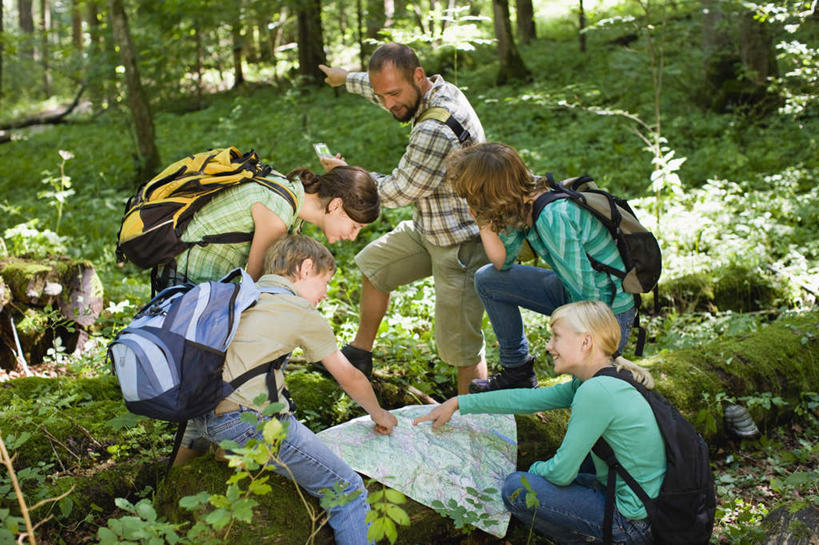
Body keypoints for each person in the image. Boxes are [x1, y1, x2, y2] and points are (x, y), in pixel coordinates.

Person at [182, 235, 398, 545]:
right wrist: (379, 413)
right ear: (307, 268)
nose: (324, 294)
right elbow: (349, 376)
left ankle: (229, 451)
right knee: (347, 489)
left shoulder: (241, 294)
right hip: (251, 424)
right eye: (325, 282)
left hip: (204, 418)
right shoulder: (299, 311)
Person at [413, 300, 661, 545]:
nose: (548, 346)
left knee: (516, 488)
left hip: (629, 523)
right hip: (638, 504)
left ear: (585, 342)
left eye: (556, 337)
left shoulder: (596, 392)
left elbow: (561, 473)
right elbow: (529, 399)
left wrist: (532, 472)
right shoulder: (602, 379)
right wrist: (459, 403)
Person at [317, 43, 489, 393]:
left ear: (419, 76)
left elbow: (396, 192)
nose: (389, 103)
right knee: (374, 266)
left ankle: (478, 419)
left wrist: (350, 173)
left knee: (460, 346)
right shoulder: (431, 87)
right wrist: (343, 78)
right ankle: (360, 355)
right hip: (431, 226)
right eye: (382, 96)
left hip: (460, 242)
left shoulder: (433, 128)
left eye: (394, 94)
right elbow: (381, 84)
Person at [445, 142, 638, 393]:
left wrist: (578, 343)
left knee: (583, 393)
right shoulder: (522, 202)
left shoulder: (551, 216)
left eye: (472, 197)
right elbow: (502, 262)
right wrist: (483, 222)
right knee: (487, 279)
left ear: (488, 193)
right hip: (574, 294)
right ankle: (517, 371)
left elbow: (589, 292)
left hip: (607, 313)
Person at [156, 164, 380, 291]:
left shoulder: (290, 195)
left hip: (195, 281)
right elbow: (253, 289)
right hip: (185, 287)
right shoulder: (278, 214)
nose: (353, 236)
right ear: (336, 205)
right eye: (354, 226)